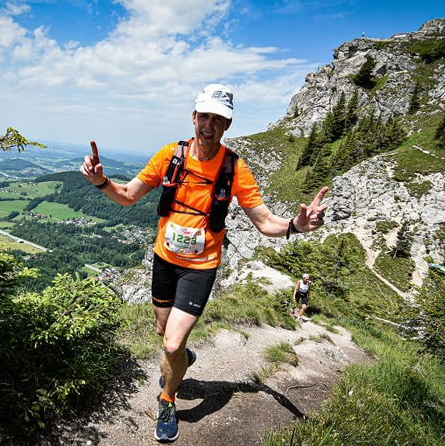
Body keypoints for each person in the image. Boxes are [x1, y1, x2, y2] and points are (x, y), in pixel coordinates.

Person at [80, 83, 328, 443]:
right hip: (164, 261)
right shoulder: (171, 155)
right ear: (194, 117)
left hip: (201, 267)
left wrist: (295, 226)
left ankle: (167, 400)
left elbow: (264, 221)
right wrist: (101, 181)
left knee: (170, 344)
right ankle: (182, 355)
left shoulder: (234, 168)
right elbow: (128, 196)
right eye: (205, 116)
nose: (209, 125)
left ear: (227, 125)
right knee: (165, 336)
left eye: (219, 119)